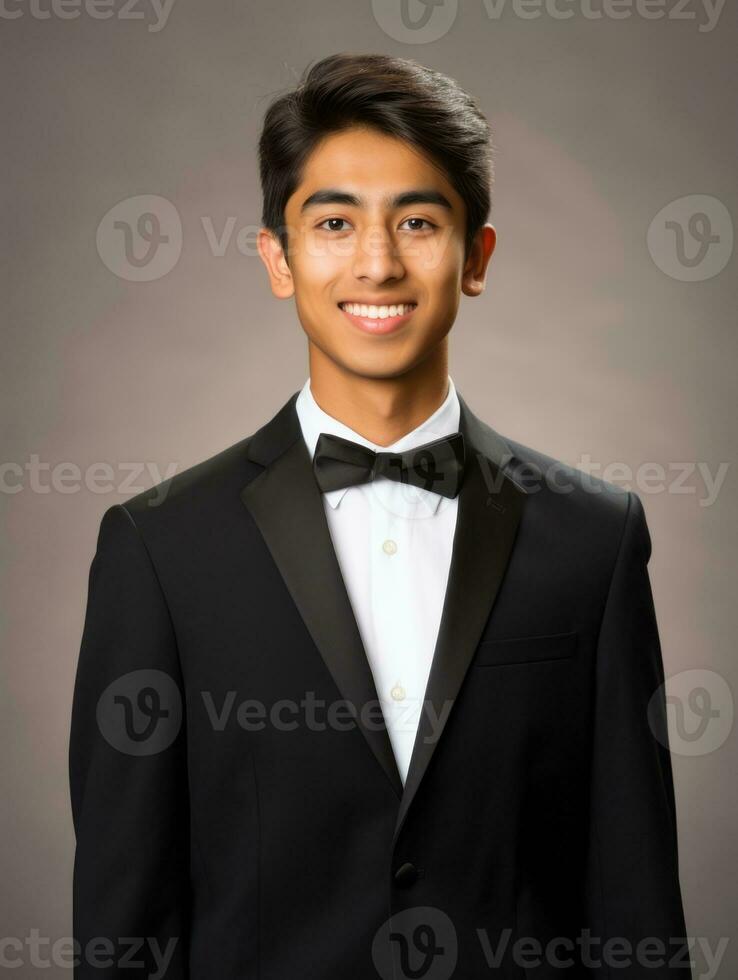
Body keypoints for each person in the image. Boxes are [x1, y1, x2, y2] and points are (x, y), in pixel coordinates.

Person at [69, 52, 692, 978]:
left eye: (417, 220)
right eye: (333, 222)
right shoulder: (159, 548)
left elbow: (636, 913)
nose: (377, 261)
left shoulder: (596, 542)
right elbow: (124, 934)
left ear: (476, 257)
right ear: (278, 260)